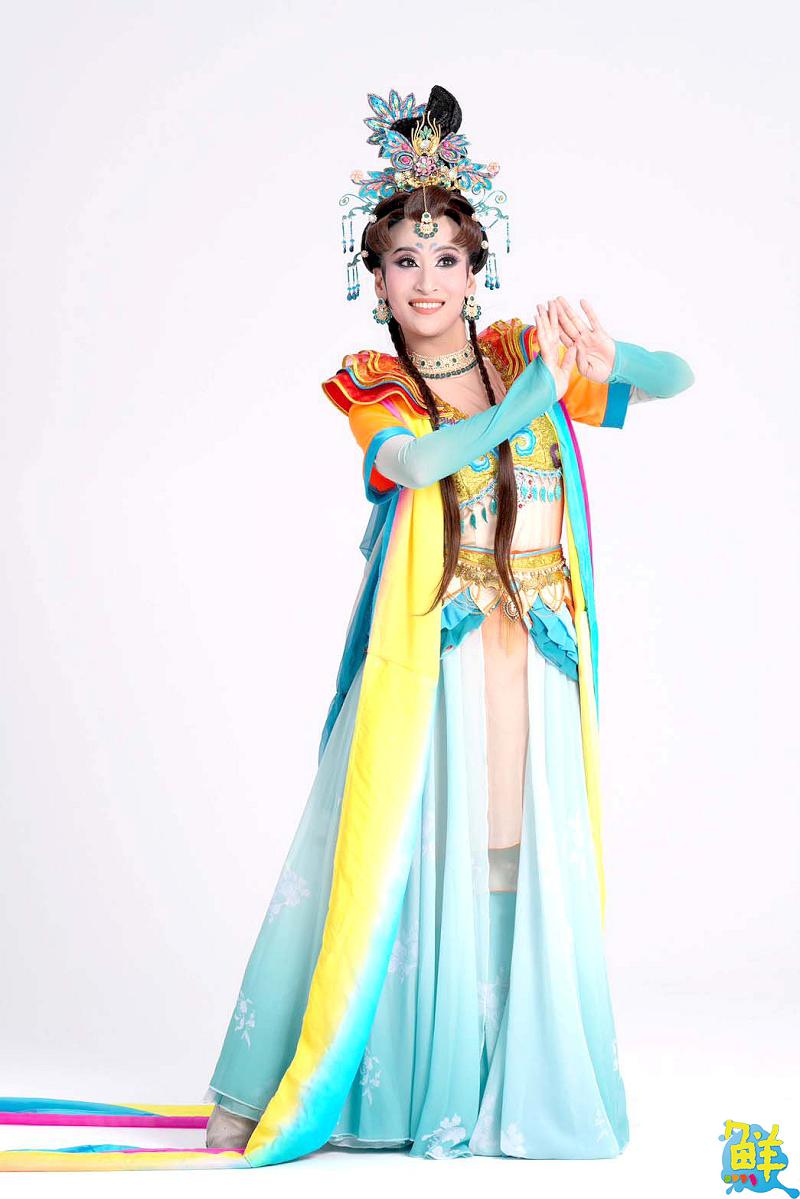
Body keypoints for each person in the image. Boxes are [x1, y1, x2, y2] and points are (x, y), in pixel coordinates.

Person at [0, 83, 694, 1173]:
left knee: (514, 856)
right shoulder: (377, 380)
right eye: (403, 260)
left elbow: (672, 381)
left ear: (476, 269)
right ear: (374, 279)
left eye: (446, 257)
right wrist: (532, 399)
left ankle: (501, 1075)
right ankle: (307, 1080)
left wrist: (609, 350)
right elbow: (417, 462)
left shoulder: (524, 349)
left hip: (538, 653)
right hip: (434, 657)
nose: (426, 279)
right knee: (381, 852)